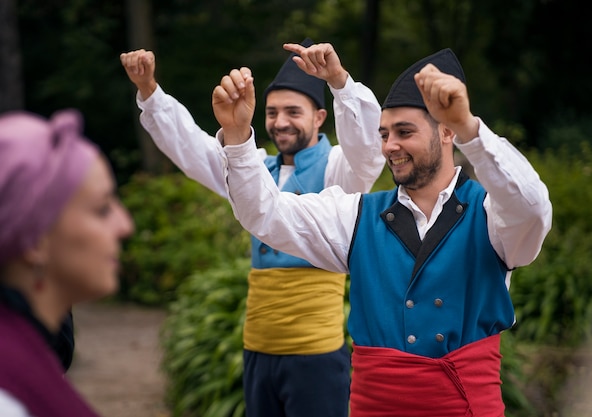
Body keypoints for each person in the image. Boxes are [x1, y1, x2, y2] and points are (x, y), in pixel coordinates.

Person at [211, 48, 553, 416]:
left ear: (447, 131)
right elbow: (265, 213)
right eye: (385, 134)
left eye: (404, 132)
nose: (389, 146)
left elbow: (532, 208)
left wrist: (472, 130)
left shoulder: (491, 215)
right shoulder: (357, 213)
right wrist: (236, 134)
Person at [120, 39, 385, 417]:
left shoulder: (339, 169)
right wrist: (149, 90)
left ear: (320, 118)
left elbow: (368, 148)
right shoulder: (253, 168)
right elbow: (193, 149)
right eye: (272, 112)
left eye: (293, 112)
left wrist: (339, 80)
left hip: (316, 353)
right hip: (257, 347)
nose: (280, 122)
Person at [0, 109, 134, 416]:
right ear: (35, 242)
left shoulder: (28, 354)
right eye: (102, 209)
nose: (125, 225)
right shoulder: (9, 394)